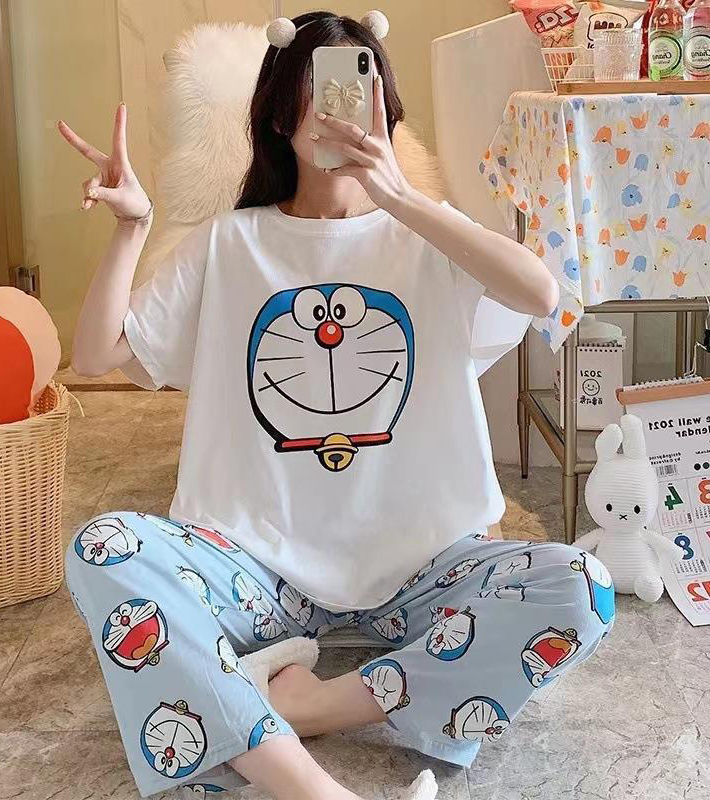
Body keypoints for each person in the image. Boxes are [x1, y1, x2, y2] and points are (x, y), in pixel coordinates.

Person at [59, 10, 612, 800]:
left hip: (423, 569)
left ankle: (310, 706)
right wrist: (132, 227)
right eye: (320, 92)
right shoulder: (231, 243)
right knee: (103, 548)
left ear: (386, 109)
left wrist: (402, 198)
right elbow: (95, 355)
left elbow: (539, 292)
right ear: (281, 115)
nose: (343, 111)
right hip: (258, 570)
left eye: (360, 89)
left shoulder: (430, 236)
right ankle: (306, 787)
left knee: (580, 586)